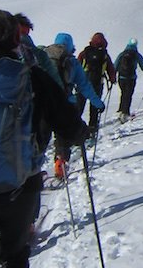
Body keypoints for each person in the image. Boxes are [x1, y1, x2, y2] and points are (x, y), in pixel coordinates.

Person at [0, 10, 88, 268]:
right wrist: (79, 134)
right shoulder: (32, 77)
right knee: (14, 258)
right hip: (20, 185)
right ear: (17, 39)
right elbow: (70, 125)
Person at [44, 33, 105, 179]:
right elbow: (85, 86)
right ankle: (61, 162)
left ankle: (32, 171)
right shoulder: (72, 61)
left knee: (41, 136)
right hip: (65, 103)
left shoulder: (44, 57)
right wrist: (98, 103)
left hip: (44, 103)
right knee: (63, 135)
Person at [77, 33, 116, 139]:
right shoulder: (104, 55)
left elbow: (77, 65)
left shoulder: (84, 53)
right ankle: (92, 129)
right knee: (94, 107)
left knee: (79, 106)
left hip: (83, 82)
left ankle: (76, 128)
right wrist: (112, 80)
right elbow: (111, 69)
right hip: (98, 83)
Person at [113, 39, 143, 118]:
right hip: (131, 78)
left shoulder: (122, 54)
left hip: (121, 77)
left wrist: (112, 76)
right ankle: (125, 112)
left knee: (123, 93)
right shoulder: (137, 55)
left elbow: (115, 65)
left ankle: (120, 109)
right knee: (128, 94)